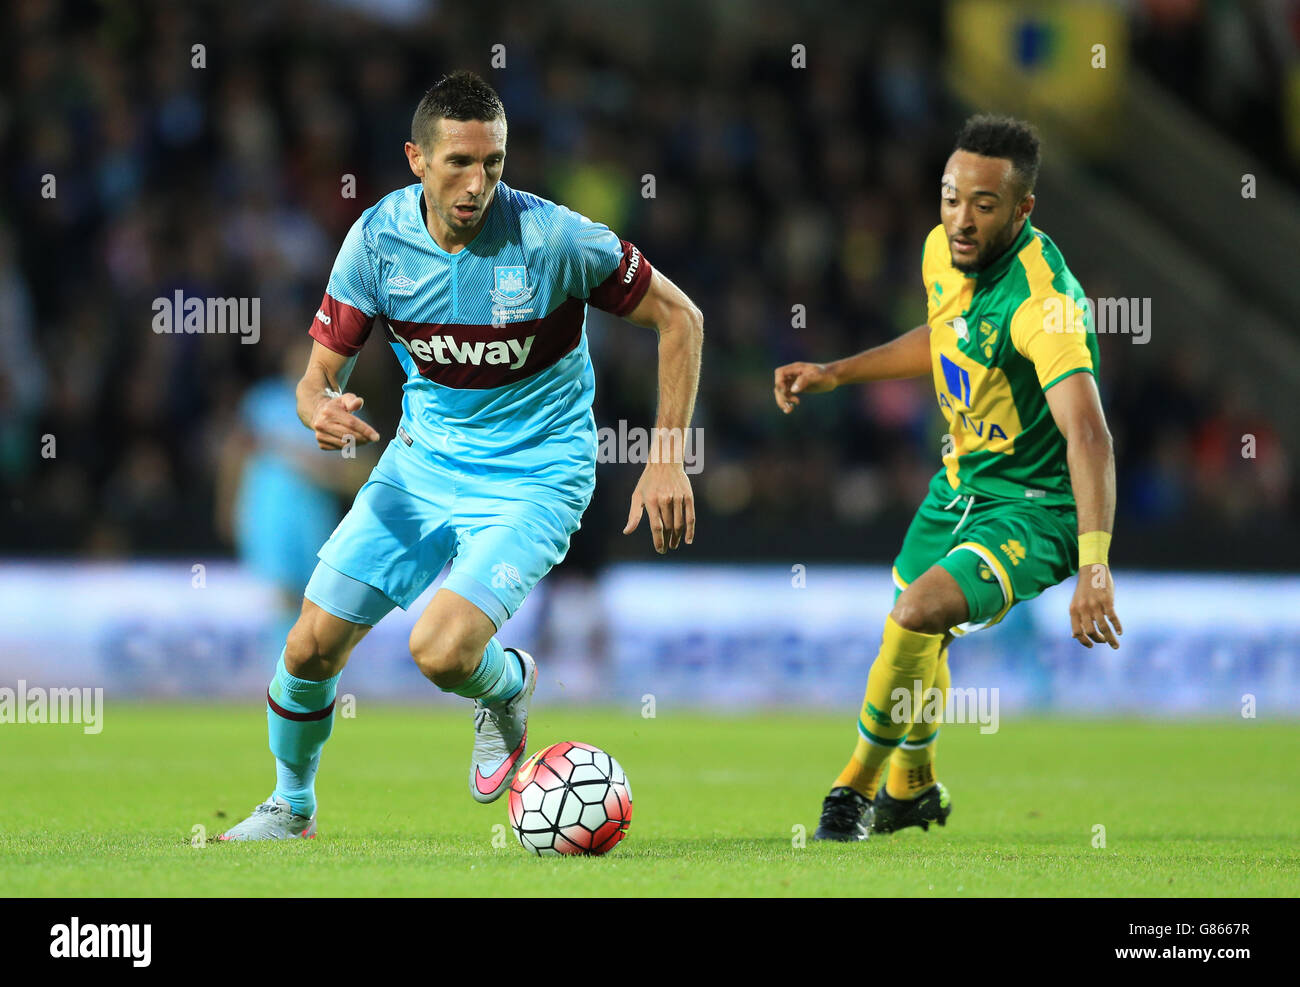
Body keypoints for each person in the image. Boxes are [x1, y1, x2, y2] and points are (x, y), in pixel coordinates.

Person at [220, 71, 703, 840]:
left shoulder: (554, 240)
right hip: (422, 466)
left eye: (494, 163)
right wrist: (320, 408)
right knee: (309, 644)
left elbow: (681, 317)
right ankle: (291, 804)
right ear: (417, 158)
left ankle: (506, 686)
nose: (479, 183)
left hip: (537, 474)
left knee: (440, 651)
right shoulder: (378, 241)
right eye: (459, 164)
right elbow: (317, 375)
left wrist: (667, 453)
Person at [773, 114, 1121, 841]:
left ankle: (853, 790)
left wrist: (1094, 566)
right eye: (950, 196)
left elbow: (1087, 432)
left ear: (1023, 210)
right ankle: (913, 785)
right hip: (958, 487)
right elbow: (944, 338)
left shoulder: (1043, 303)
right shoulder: (943, 252)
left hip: (1035, 506)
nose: (960, 219)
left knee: (916, 613)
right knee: (916, 634)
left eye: (983, 205)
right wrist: (838, 372)